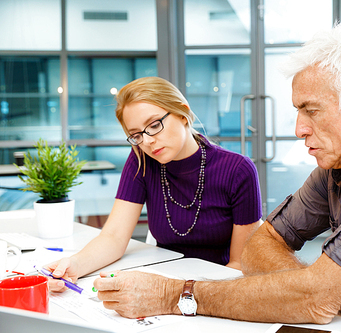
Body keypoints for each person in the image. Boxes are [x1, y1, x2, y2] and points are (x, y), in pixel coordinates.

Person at [94, 20, 341, 333]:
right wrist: (330, 283)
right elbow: (261, 245)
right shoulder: (337, 168)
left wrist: (172, 294)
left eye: (311, 110)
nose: (298, 128)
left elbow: (316, 300)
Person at [48, 77, 263, 292]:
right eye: (136, 135)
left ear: (182, 113)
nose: (147, 141)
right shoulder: (141, 160)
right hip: (162, 282)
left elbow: (239, 266)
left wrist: (187, 295)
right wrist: (75, 264)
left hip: (218, 288)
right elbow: (114, 236)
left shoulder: (237, 169)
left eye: (154, 125)